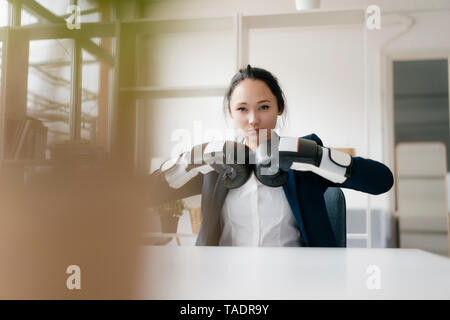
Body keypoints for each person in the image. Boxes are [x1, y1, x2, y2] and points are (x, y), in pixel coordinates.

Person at [147, 65, 394, 247]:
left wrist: (317, 157)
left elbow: (382, 181)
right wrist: (191, 159)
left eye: (264, 107)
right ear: (231, 113)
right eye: (242, 109)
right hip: (224, 280)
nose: (253, 119)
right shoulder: (217, 165)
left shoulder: (302, 159)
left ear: (279, 108)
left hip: (295, 284)